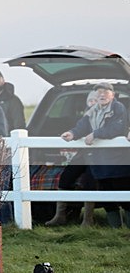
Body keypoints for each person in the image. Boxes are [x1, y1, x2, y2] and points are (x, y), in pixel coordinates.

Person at [61, 83, 129, 228]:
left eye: (105, 92)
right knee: (107, 199)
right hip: (99, 161)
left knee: (125, 197)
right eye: (99, 92)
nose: (102, 95)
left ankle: (127, 232)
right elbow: (82, 126)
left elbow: (117, 128)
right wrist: (72, 133)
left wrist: (95, 134)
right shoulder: (91, 111)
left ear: (113, 94)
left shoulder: (118, 108)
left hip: (118, 162)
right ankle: (116, 230)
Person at [46, 90, 98, 227]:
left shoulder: (108, 115)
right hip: (83, 155)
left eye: (96, 100)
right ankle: (60, 216)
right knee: (65, 177)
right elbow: (79, 128)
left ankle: (88, 220)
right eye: (90, 100)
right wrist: (71, 133)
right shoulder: (86, 117)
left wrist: (95, 134)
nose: (93, 103)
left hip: (100, 156)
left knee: (89, 182)